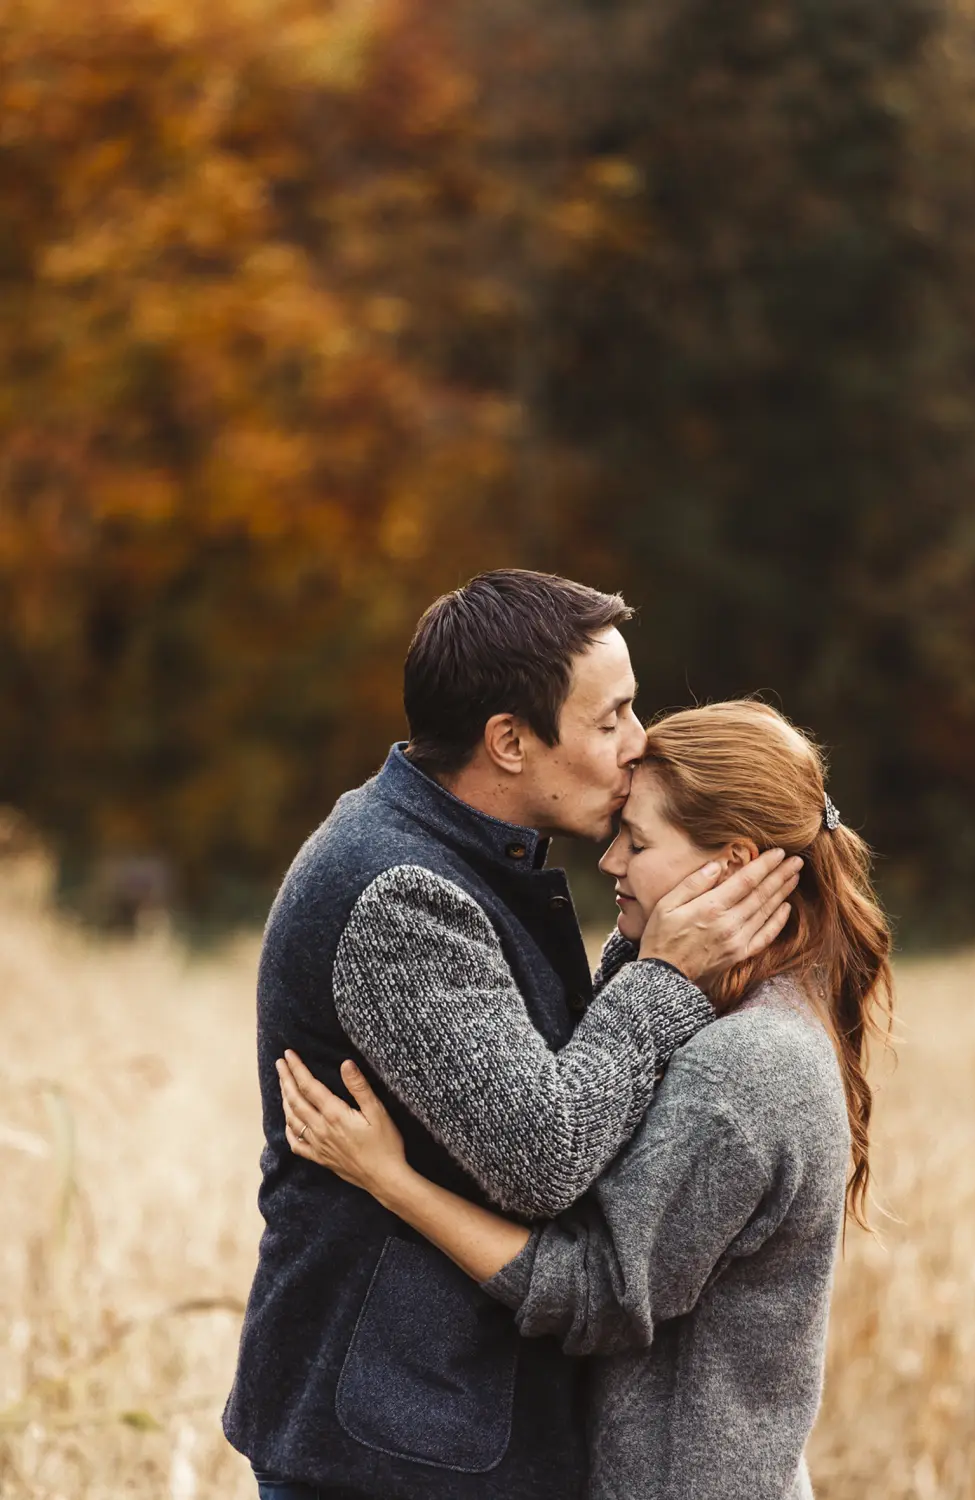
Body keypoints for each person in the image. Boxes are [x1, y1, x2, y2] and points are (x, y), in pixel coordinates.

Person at [223, 571, 801, 1500]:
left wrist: (654, 944)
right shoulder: (399, 896)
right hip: (395, 1447)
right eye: (608, 718)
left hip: (436, 1425)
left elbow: (563, 1067)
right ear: (509, 742)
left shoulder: (469, 855)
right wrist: (663, 975)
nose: (637, 742)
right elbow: (542, 1152)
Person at [277, 699, 894, 1500]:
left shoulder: (746, 1065)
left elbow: (595, 1291)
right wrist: (653, 957)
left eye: (637, 841)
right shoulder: (747, 1011)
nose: (609, 861)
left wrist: (391, 1181)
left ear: (734, 864)